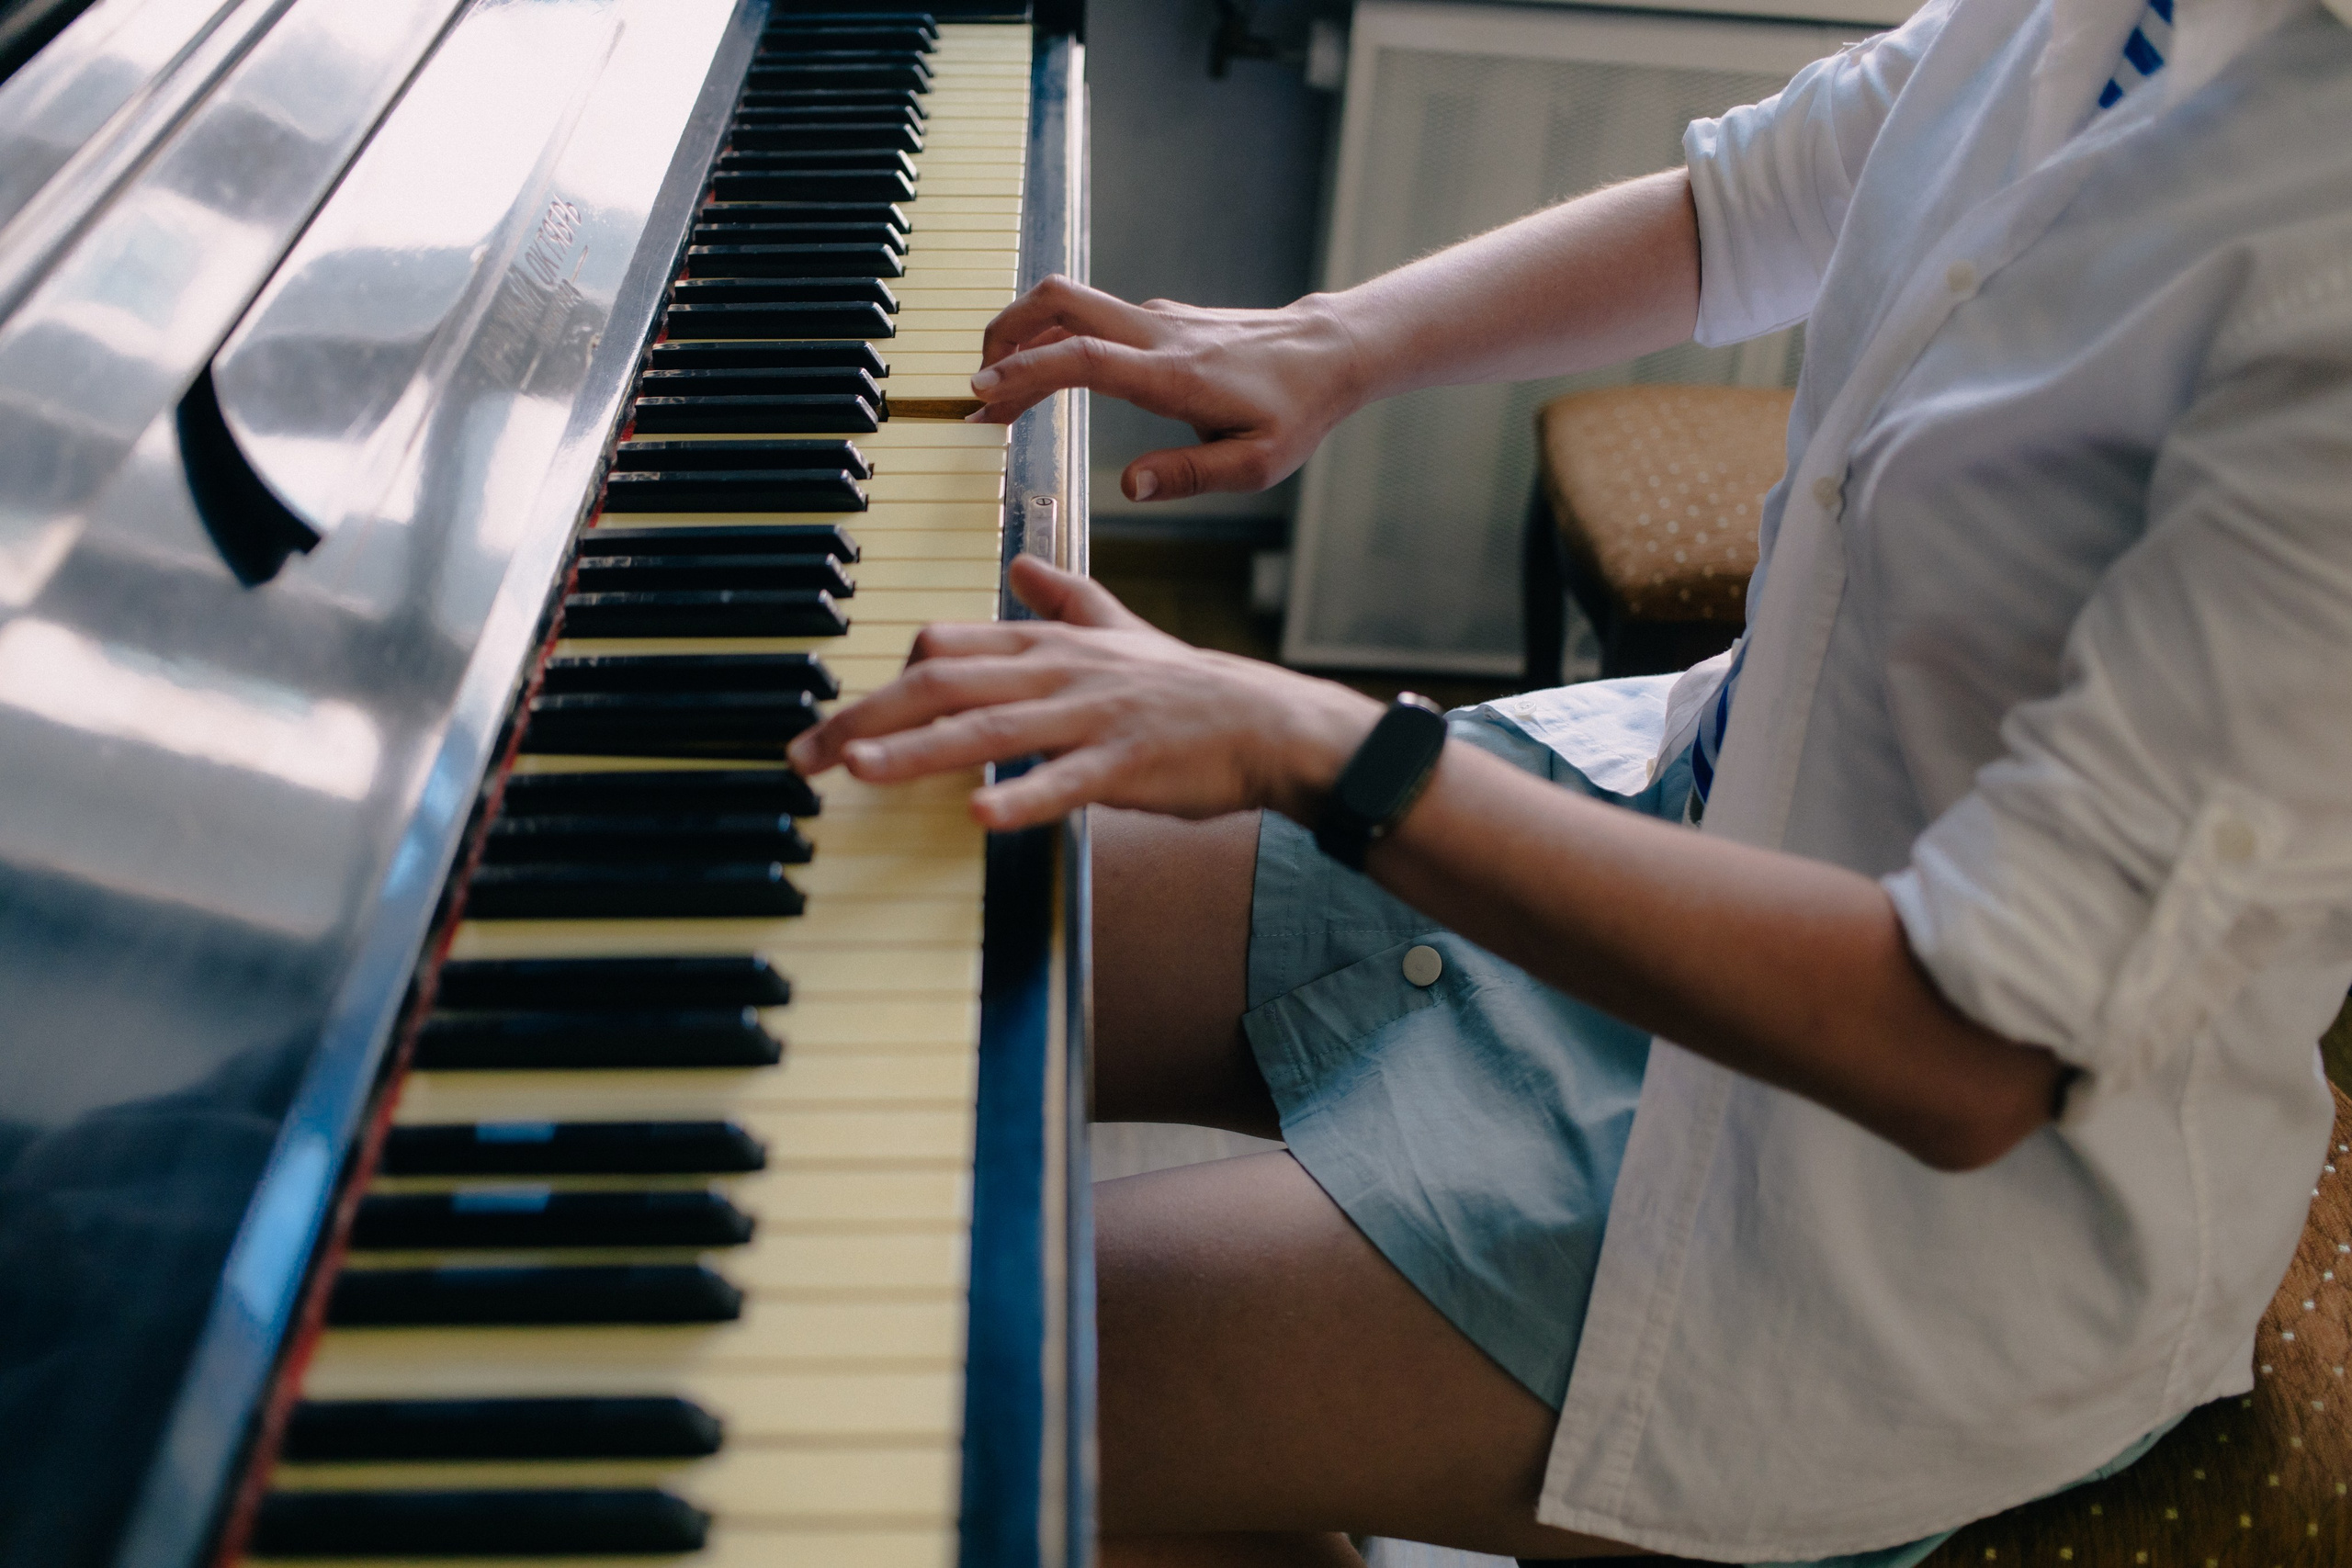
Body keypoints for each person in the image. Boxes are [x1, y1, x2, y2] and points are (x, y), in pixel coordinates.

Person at [786, 0, 2352, 1557]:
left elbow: (1968, 1054)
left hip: (1898, 1212)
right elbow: (1746, 202)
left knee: (953, 1395)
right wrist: (1331, 344)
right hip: (1677, 815)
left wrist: (1317, 743)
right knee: (870, 911)